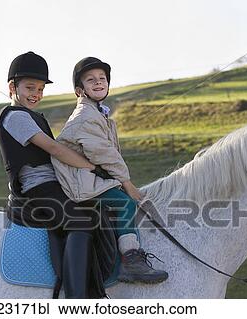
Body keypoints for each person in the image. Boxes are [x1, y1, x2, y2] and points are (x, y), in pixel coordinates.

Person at [0, 52, 113, 298]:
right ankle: (75, 300)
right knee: (82, 221)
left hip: (55, 183)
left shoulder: (35, 116)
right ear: (11, 87)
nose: (35, 94)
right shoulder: (15, 116)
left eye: (40, 89)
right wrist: (90, 168)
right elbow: (54, 149)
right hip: (37, 188)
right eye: (30, 88)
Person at [51, 57, 169, 284]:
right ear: (79, 90)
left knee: (122, 200)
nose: (98, 83)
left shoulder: (98, 114)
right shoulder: (85, 117)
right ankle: (131, 261)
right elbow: (104, 154)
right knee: (124, 202)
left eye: (102, 79)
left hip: (91, 177)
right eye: (90, 80)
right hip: (79, 181)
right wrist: (127, 183)